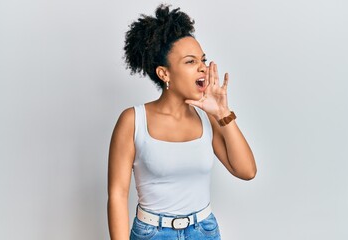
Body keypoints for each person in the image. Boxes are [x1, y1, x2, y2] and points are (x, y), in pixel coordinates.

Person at [107, 4, 257, 240]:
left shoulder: (208, 118)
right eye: (190, 61)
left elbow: (247, 171)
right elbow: (117, 194)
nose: (202, 67)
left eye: (203, 60)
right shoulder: (133, 120)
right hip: (152, 233)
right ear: (164, 73)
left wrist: (223, 113)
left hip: (204, 231)